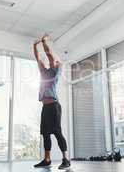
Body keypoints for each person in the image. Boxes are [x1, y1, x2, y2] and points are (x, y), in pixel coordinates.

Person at [33, 34, 71, 170]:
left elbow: (49, 55)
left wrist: (44, 42)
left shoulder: (55, 71)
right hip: (45, 107)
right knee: (45, 133)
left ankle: (66, 159)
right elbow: (38, 58)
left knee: (57, 132)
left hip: (54, 106)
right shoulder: (43, 73)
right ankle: (47, 159)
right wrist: (34, 46)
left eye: (53, 61)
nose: (48, 62)